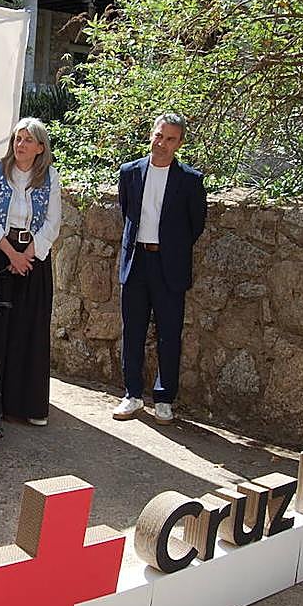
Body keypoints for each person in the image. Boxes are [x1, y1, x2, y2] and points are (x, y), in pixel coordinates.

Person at [112, 113, 207, 425]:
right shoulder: (130, 172)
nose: (162, 144)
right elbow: (127, 211)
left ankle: (164, 399)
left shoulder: (190, 180)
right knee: (133, 330)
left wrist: (171, 247)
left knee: (169, 333)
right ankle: (132, 394)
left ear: (179, 144)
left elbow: (195, 225)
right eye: (159, 136)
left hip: (169, 265)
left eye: (170, 139)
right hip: (136, 261)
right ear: (151, 135)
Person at [0, 117, 62, 426]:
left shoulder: (50, 177)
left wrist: (26, 256)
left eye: (27, 140)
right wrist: (12, 254)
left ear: (40, 148)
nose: (20, 144)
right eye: (17, 138)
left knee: (28, 328)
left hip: (33, 259)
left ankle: (27, 405)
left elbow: (52, 223)